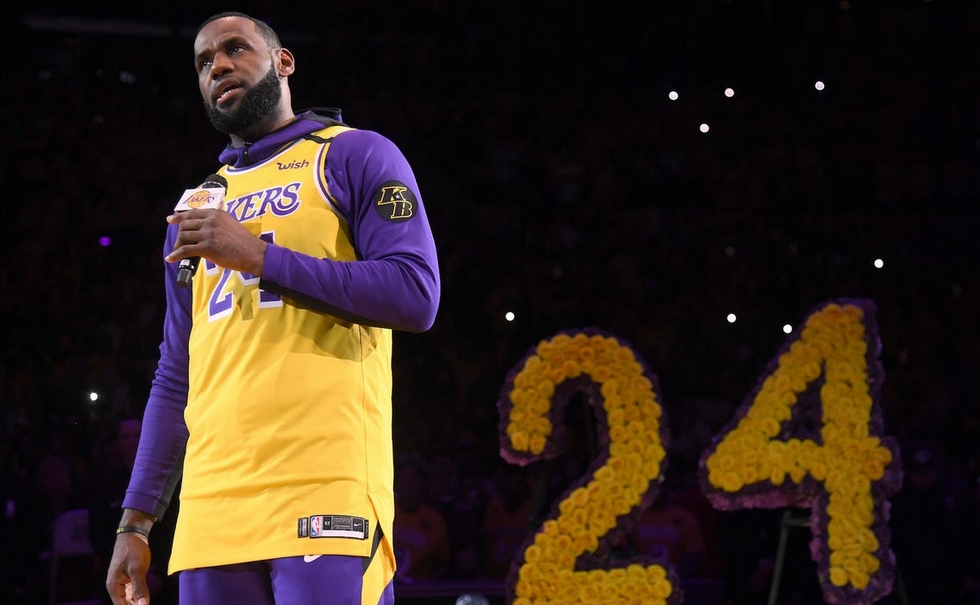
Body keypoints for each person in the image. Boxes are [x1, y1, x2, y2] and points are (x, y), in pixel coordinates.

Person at [105, 11, 440, 605]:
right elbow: (176, 372)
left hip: (324, 484)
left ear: (283, 62)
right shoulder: (195, 207)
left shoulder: (354, 154)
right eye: (203, 63)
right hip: (212, 507)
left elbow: (415, 294)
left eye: (235, 49)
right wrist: (136, 521)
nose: (218, 67)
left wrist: (258, 257)